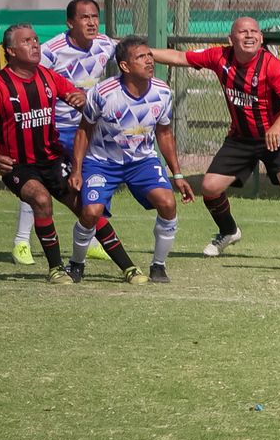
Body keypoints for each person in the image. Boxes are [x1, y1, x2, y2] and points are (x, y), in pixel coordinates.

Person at [148, 16, 280, 261]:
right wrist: (142, 52)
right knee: (209, 187)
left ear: (261, 38)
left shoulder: (270, 65)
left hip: (277, 135)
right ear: (231, 39)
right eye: (243, 32)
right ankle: (229, 232)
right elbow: (179, 58)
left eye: (254, 31)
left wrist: (278, 126)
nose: (249, 35)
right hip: (241, 138)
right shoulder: (219, 57)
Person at [68, 35, 190, 284]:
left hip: (142, 162)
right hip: (101, 162)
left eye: (149, 55)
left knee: (167, 204)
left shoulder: (162, 92)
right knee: (91, 212)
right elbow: (84, 130)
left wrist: (177, 174)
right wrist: (77, 169)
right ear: (125, 66)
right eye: (141, 57)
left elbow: (164, 133)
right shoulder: (102, 93)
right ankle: (76, 264)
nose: (149, 61)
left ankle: (158, 266)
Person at [0, 24, 89, 282]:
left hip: (53, 158)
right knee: (41, 200)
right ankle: (56, 269)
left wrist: (80, 97)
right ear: (11, 50)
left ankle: (126, 266)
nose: (35, 44)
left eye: (36, 40)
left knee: (87, 207)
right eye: (27, 41)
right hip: (19, 165)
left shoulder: (48, 76)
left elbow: (75, 94)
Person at [10, 0, 117, 267]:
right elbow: (25, 76)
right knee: (38, 180)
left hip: (87, 127)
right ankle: (21, 242)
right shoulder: (50, 51)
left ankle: (90, 240)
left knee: (96, 177)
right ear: (70, 23)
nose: (92, 22)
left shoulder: (105, 43)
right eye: (85, 17)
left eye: (95, 16)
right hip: (54, 128)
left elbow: (133, 53)